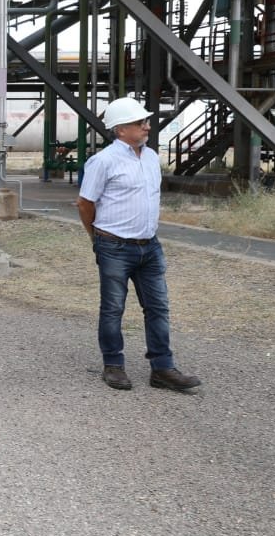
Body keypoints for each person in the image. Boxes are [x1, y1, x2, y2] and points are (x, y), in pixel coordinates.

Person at [77, 97, 202, 393]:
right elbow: (85, 203)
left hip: (150, 246)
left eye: (146, 121)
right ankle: (114, 365)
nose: (147, 126)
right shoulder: (103, 161)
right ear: (120, 129)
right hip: (114, 247)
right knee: (112, 308)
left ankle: (162, 368)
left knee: (158, 307)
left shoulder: (149, 157)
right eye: (139, 122)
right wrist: (96, 238)